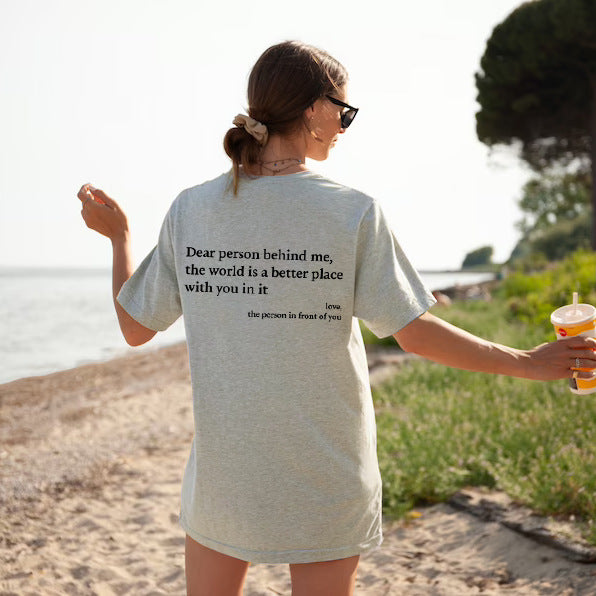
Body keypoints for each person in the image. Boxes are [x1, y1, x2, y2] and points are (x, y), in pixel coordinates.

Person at [77, 40, 596, 596]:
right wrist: (526, 361)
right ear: (312, 109)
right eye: (344, 112)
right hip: (325, 473)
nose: (346, 126)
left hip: (226, 481)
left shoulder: (191, 209)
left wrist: (120, 239)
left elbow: (135, 327)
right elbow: (414, 334)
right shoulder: (351, 211)